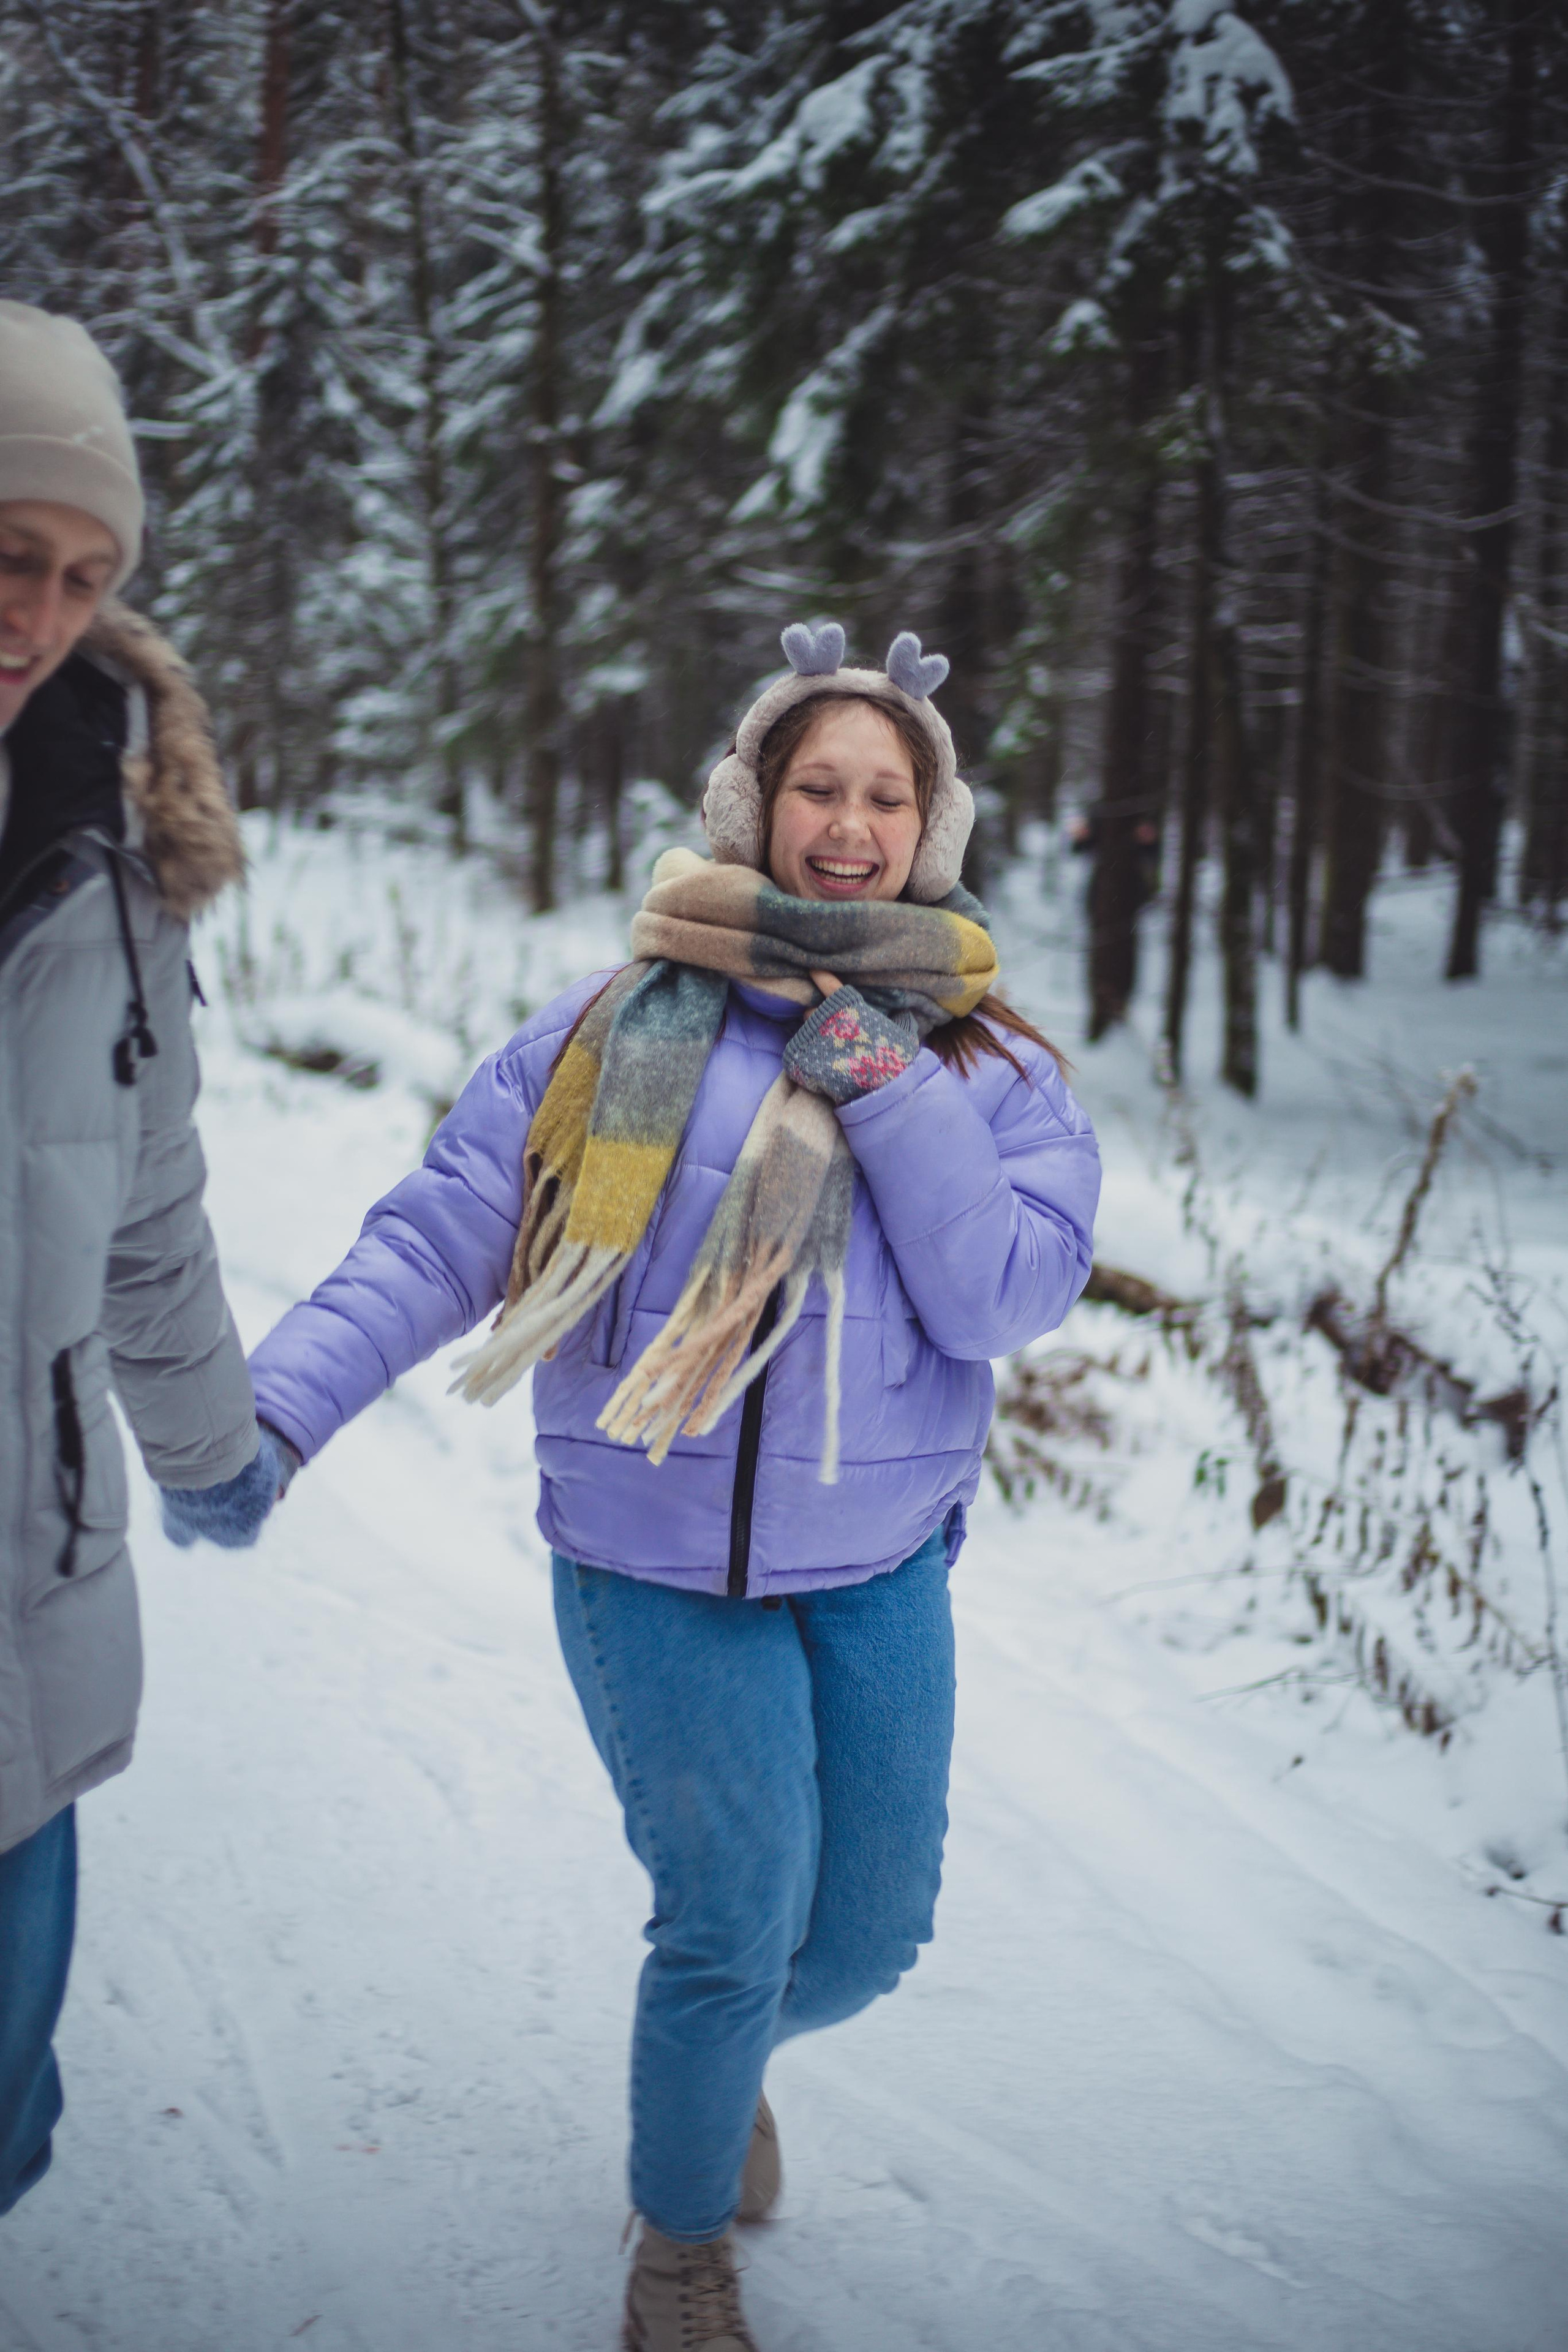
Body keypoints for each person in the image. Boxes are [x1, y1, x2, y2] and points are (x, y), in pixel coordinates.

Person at [238, 618, 1100, 2348]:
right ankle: (681, 2248)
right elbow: (446, 1237)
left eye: (882, 793)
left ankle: (710, 2075)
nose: (845, 822)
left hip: (874, 1565)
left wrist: (877, 1078)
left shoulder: (992, 1070)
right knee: (728, 1924)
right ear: (755, 799)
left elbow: (1007, 1292)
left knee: (862, 1940)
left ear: (925, 826)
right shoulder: (614, 1024)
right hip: (649, 1560)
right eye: (814, 784)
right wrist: (267, 1414)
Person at [0, 301, 288, 2218]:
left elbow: (148, 1206)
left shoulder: (113, 851)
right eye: (12, 553)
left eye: (85, 576)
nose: (41, 611)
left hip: (17, 1592)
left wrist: (209, 1448)